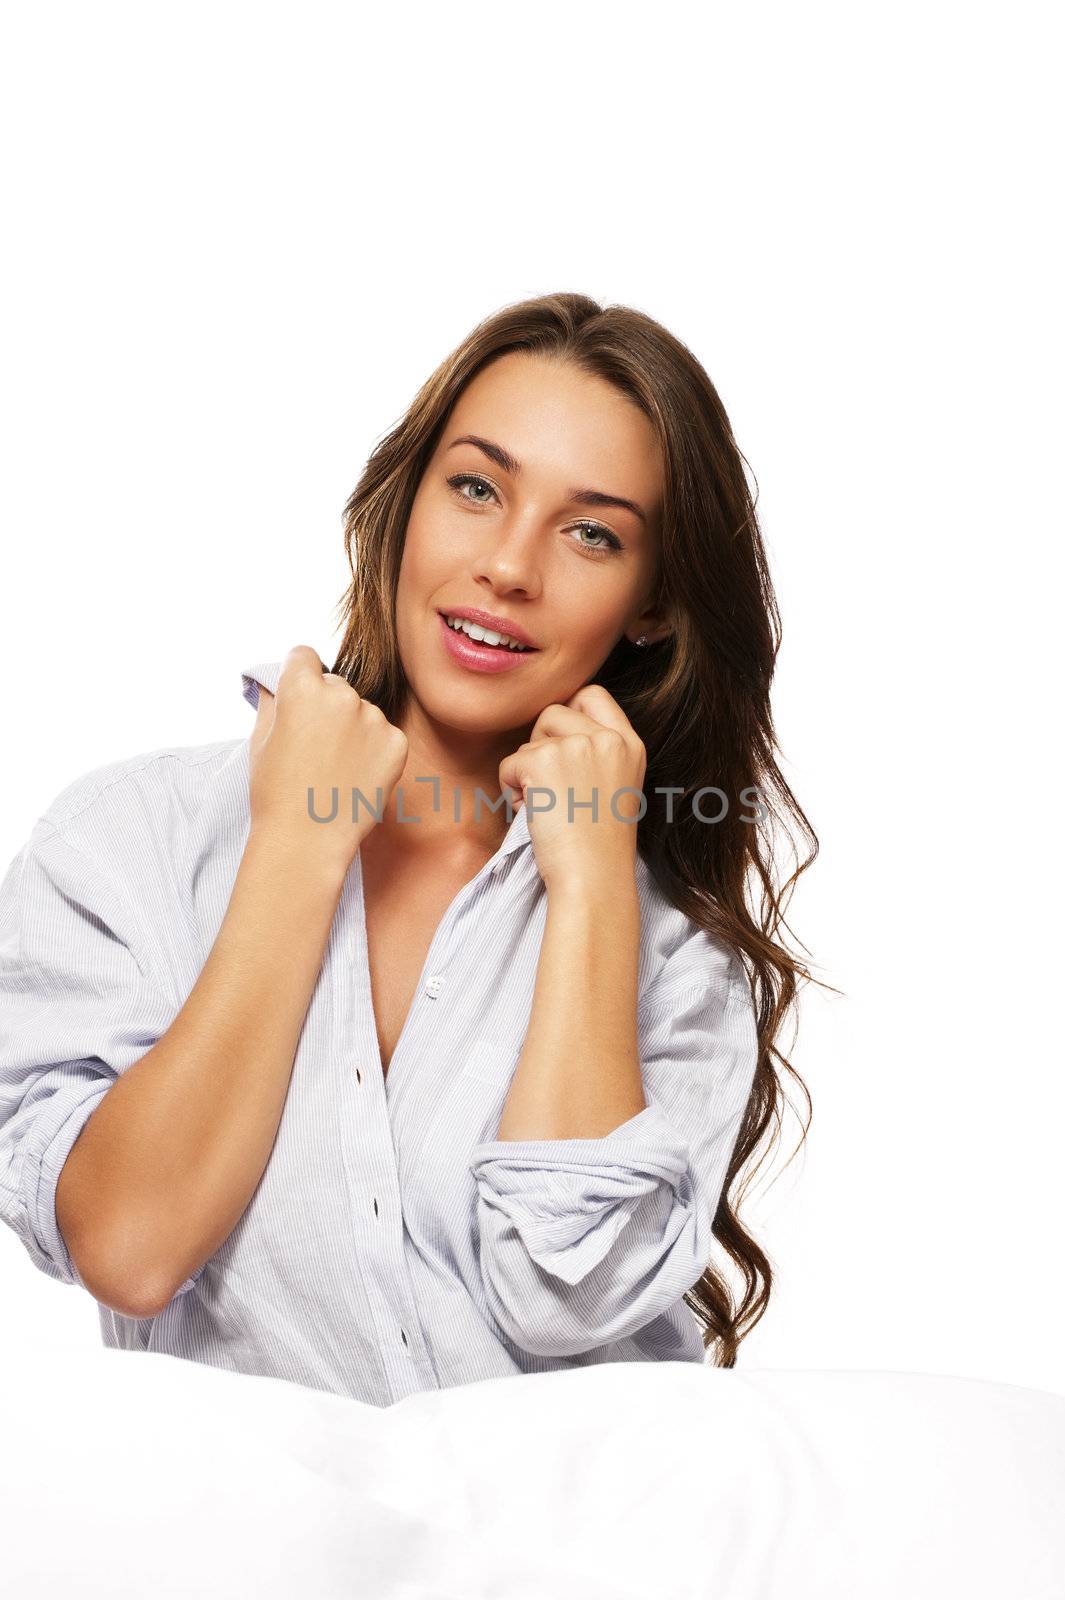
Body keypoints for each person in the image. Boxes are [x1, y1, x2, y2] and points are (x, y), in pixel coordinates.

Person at [0, 292, 818, 1407]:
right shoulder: (131, 845)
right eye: (475, 487)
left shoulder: (670, 946)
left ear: (653, 604)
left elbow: (559, 1296)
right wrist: (297, 841)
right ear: (407, 502)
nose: (508, 566)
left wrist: (586, 889)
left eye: (592, 532)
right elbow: (134, 1250)